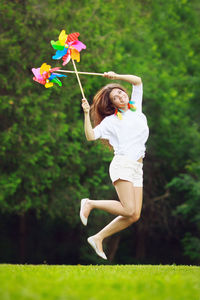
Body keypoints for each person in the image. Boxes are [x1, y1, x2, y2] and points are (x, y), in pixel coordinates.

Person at [80, 71, 149, 260]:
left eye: (120, 92)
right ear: (112, 105)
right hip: (123, 165)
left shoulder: (136, 109)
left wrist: (116, 76)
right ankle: (90, 203)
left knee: (134, 215)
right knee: (128, 209)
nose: (120, 96)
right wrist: (86, 113)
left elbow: (138, 81)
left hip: (137, 168)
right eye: (115, 97)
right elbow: (90, 136)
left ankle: (98, 237)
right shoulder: (110, 121)